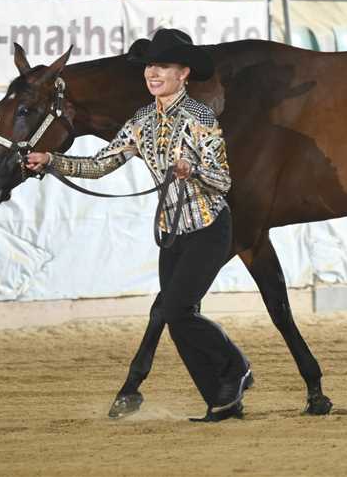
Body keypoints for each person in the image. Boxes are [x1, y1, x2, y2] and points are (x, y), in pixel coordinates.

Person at [25, 28, 252, 422]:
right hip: (171, 233)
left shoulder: (200, 117)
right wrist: (52, 161)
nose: (152, 73)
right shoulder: (141, 120)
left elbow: (223, 180)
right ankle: (222, 400)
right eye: (149, 66)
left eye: (162, 66)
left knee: (177, 311)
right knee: (177, 317)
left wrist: (193, 170)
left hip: (209, 226)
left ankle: (236, 368)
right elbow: (100, 165)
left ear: (184, 73)